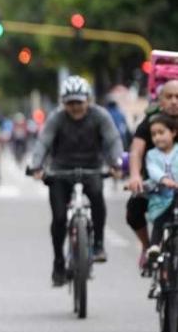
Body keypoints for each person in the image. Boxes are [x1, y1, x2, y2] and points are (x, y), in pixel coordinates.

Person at [29, 76, 123, 287]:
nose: (75, 107)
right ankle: (58, 262)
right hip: (60, 171)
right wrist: (36, 165)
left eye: (79, 102)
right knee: (59, 217)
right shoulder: (56, 118)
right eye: (70, 103)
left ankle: (98, 243)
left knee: (98, 197)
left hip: (92, 168)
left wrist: (117, 164)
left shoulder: (100, 116)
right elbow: (43, 142)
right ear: (63, 103)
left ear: (88, 100)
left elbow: (113, 140)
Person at [127, 80, 178, 269]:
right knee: (133, 211)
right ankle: (148, 247)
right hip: (154, 184)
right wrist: (134, 176)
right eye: (169, 97)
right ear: (160, 100)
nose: (174, 101)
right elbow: (136, 152)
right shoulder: (149, 123)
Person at [145, 114, 178, 256]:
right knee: (159, 221)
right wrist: (164, 180)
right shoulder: (151, 155)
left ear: (173, 132)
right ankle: (154, 247)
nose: (157, 137)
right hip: (161, 199)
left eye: (161, 132)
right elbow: (153, 171)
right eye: (154, 134)